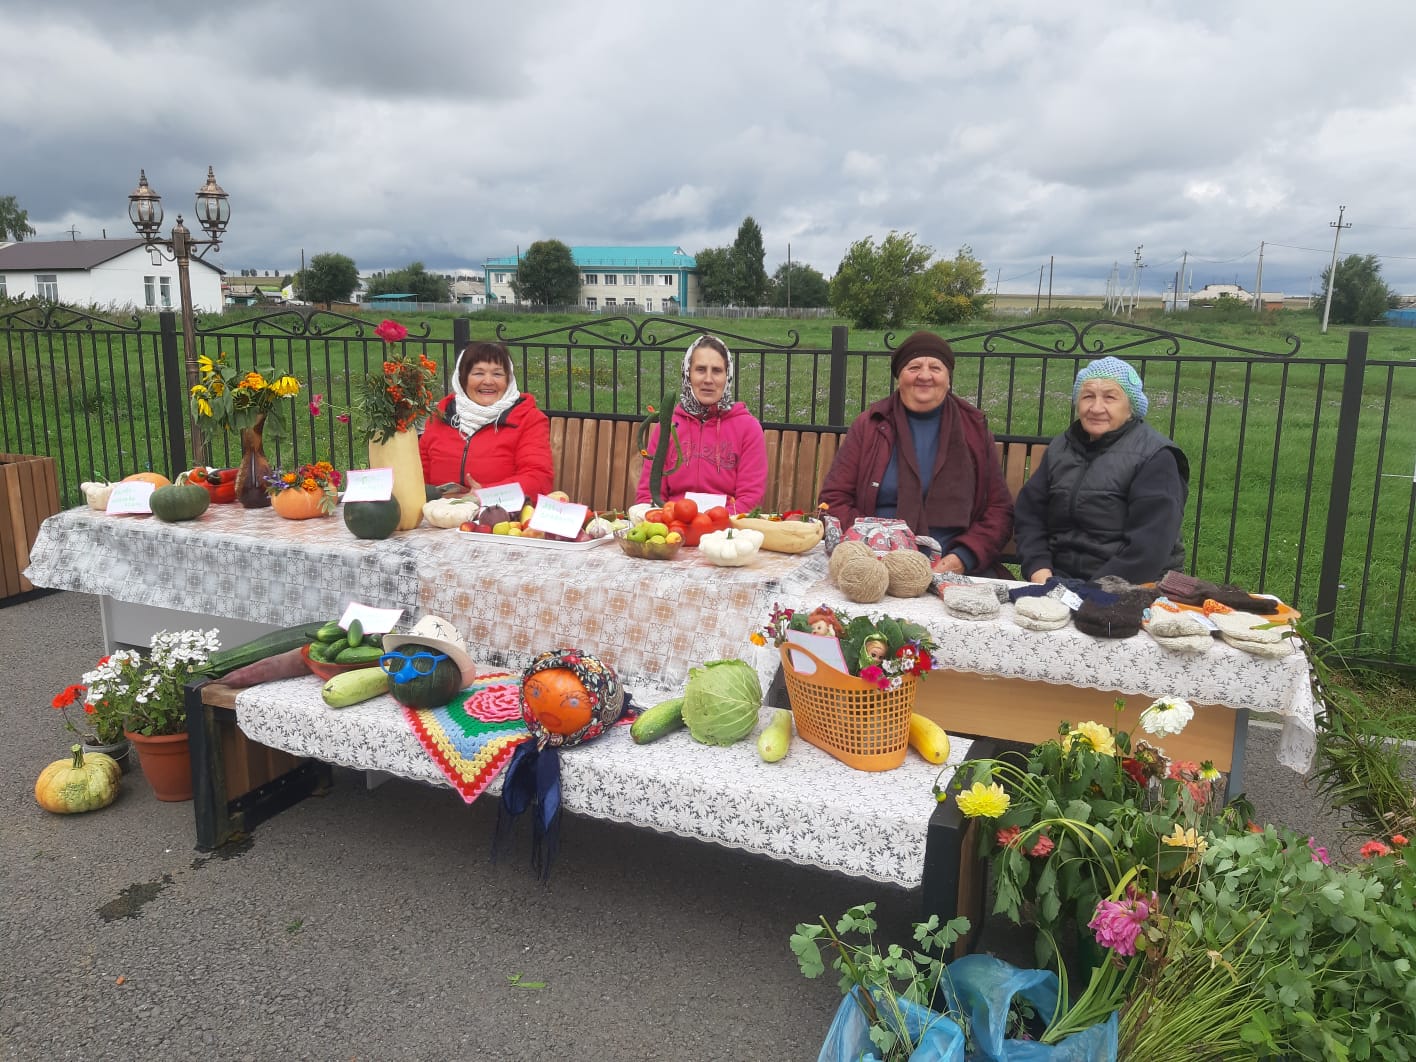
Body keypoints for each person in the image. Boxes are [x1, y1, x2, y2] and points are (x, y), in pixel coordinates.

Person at [817, 331, 1014, 576]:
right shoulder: (869, 425)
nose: (924, 376)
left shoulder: (973, 427)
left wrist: (963, 557)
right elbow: (834, 499)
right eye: (914, 367)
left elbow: (998, 509)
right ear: (899, 376)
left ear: (948, 378)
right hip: (875, 562)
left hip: (951, 561)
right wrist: (868, 547)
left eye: (935, 367)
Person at [1013, 356, 1189, 584]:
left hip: (1132, 585)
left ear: (1131, 407)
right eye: (1087, 396)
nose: (1096, 408)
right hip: (1057, 580)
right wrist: (1039, 570)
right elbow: (1030, 516)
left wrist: (1092, 591)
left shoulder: (1156, 457)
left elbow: (1149, 548)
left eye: (1110, 397)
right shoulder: (1060, 449)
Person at [634, 334, 767, 511]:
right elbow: (649, 493)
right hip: (673, 525)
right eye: (701, 369)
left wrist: (710, 522)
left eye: (717, 371)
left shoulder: (748, 428)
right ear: (688, 373)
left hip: (726, 527)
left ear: (728, 376)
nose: (708, 380)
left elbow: (750, 499)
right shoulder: (668, 426)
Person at [419, 341, 554, 499]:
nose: (488, 381)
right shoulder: (440, 416)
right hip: (438, 516)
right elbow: (419, 473)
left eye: (497, 374)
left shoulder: (528, 419)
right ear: (462, 379)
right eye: (478, 373)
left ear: (508, 380)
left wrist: (486, 494)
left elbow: (538, 479)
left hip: (500, 517)